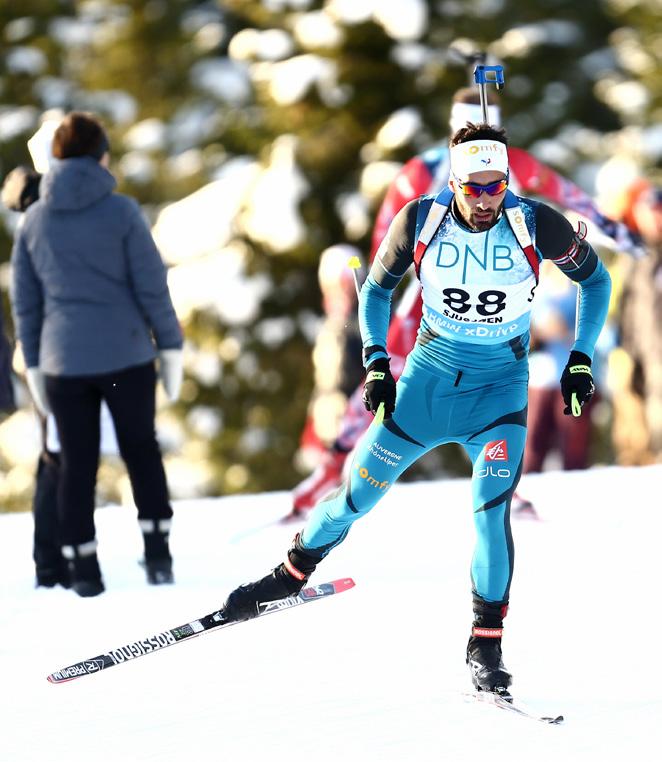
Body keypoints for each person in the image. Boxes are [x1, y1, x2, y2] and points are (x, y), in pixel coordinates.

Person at [220, 122, 611, 694]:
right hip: (426, 386)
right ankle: (289, 575)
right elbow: (375, 291)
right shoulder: (420, 220)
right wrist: (376, 361)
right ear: (453, 181)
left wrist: (580, 358)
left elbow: (595, 282)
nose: (485, 199)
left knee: (489, 512)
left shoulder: (535, 222)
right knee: (356, 495)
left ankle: (486, 643)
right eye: (473, 187)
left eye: (496, 185)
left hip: (499, 392)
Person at [290, 87, 642, 516]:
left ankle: (501, 489)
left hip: (492, 303)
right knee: (386, 383)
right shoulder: (423, 170)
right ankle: (329, 473)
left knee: (491, 392)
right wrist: (392, 281)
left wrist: (616, 231)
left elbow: (570, 198)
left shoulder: (516, 165)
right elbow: (388, 237)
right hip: (426, 301)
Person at [10, 111, 184, 597]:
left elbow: (26, 302)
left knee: (77, 464)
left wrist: (38, 363)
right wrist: (169, 345)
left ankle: (84, 571)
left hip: (65, 364)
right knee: (141, 451)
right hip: (125, 358)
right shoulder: (123, 212)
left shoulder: (34, 221)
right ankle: (158, 557)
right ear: (98, 155)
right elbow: (153, 287)